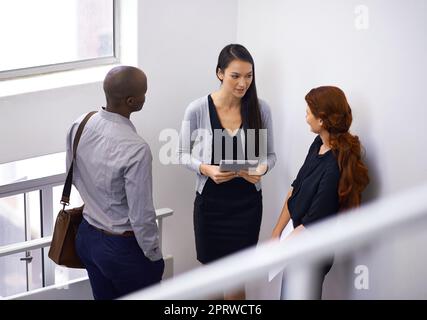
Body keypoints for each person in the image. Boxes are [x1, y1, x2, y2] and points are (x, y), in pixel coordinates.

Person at [178, 44, 276, 299]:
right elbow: (180, 153)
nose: (243, 83)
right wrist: (205, 168)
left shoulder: (261, 108)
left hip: (247, 206)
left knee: (235, 284)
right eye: (236, 76)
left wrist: (262, 168)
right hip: (210, 205)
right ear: (220, 73)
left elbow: (270, 156)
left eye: (249, 76)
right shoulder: (198, 109)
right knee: (211, 281)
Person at [67, 66, 164, 300]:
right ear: (132, 101)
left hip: (87, 236)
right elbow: (141, 214)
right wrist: (154, 255)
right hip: (121, 249)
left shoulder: (81, 123)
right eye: (144, 92)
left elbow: (74, 175)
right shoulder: (136, 148)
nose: (145, 96)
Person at [272, 86, 369, 299]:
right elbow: (295, 189)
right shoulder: (318, 145)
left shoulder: (333, 167)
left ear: (322, 120)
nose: (306, 117)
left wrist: (278, 253)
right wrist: (276, 233)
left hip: (311, 251)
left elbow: (312, 224)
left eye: (308, 112)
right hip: (295, 242)